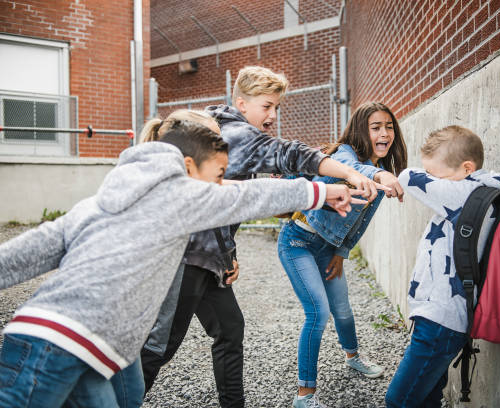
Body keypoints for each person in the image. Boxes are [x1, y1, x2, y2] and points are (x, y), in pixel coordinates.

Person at [0, 118, 361, 408]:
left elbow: (25, 253)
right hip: (57, 342)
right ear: (189, 166)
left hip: (93, 348)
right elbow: (247, 195)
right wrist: (321, 191)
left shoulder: (98, 203)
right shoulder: (180, 194)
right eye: (219, 175)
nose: (221, 185)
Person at [140, 66, 393, 408]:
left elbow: (228, 203)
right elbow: (286, 162)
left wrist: (226, 255)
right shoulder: (238, 135)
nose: (273, 115)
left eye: (277, 107)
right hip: (186, 256)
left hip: (210, 257)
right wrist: (345, 175)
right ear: (241, 103)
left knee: (230, 330)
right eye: (267, 106)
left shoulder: (220, 124)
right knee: (160, 346)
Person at [277, 102, 408, 408]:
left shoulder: (378, 175)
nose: (384, 133)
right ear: (362, 131)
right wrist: (379, 176)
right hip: (297, 242)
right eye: (376, 127)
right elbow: (356, 170)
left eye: (388, 127)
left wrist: (341, 252)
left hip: (327, 250)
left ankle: (352, 357)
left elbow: (360, 222)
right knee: (318, 313)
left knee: (344, 310)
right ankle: (304, 396)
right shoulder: (344, 155)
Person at [385, 125, 500, 408]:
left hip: (441, 321)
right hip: (438, 317)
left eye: (435, 174)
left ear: (467, 168)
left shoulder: (469, 196)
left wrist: (409, 175)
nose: (431, 180)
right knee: (427, 397)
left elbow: (408, 176)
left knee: (398, 400)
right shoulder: (472, 192)